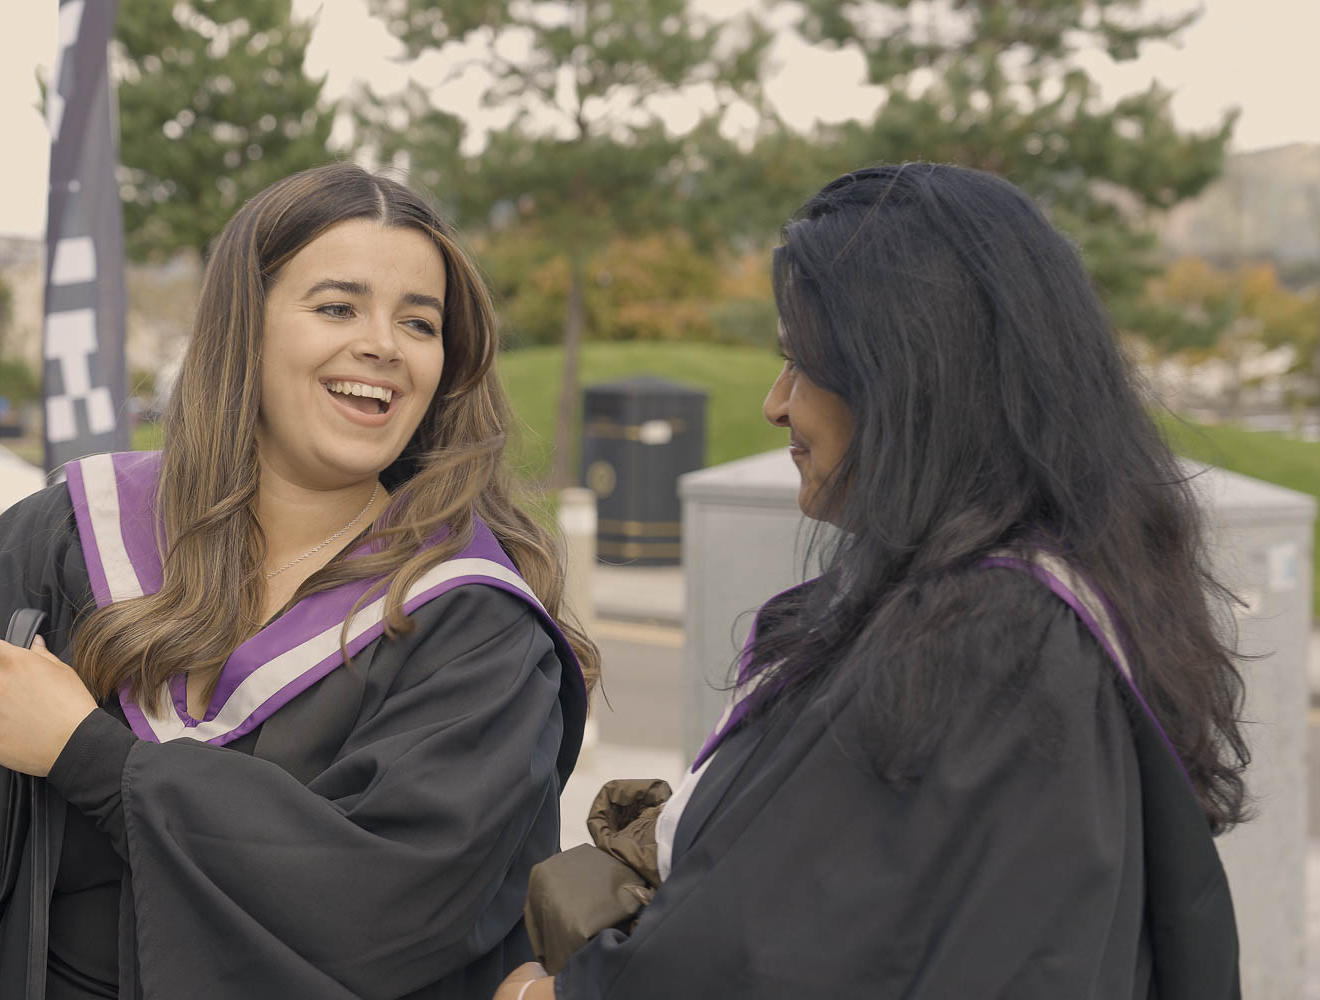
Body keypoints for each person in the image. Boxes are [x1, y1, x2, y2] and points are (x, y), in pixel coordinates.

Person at [0, 162, 597, 1000]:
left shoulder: (467, 617)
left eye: (419, 323)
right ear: (243, 329)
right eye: (337, 307)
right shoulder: (82, 531)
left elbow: (394, 902)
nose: (383, 346)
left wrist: (94, 758)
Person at [500, 163, 1247, 999]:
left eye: (802, 364)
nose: (776, 403)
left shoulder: (988, 642)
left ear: (911, 379)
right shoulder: (1036, 607)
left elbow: (782, 957)